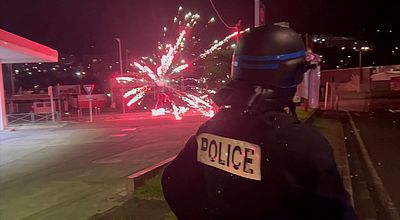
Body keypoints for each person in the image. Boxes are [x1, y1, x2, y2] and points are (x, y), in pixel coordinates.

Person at [161, 24, 357, 220]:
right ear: (292, 73)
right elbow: (337, 213)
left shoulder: (211, 129)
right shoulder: (304, 143)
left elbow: (174, 182)